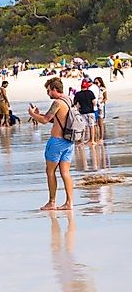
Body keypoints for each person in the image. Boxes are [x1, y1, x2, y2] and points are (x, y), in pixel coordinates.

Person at [28, 77, 74, 211]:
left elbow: (44, 120)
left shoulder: (57, 103)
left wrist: (32, 114)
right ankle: (69, 203)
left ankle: (52, 202)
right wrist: (39, 114)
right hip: (69, 141)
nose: (48, 93)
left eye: (48, 90)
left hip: (57, 141)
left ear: (54, 89)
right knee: (65, 172)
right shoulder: (67, 100)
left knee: (50, 171)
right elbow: (55, 120)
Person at [73, 80, 97, 145]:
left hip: (82, 112)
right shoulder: (90, 92)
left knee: (83, 127)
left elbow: (76, 104)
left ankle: (82, 141)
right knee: (91, 126)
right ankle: (92, 140)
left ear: (81, 86)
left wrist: (77, 111)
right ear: (87, 86)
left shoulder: (78, 94)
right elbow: (94, 102)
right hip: (91, 112)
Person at [94, 76, 107, 143]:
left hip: (101, 106)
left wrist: (101, 102)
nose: (95, 84)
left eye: (97, 82)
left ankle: (101, 137)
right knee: (95, 123)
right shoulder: (93, 89)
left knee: (100, 123)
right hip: (95, 106)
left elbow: (105, 98)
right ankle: (95, 137)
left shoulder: (103, 89)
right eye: (94, 82)